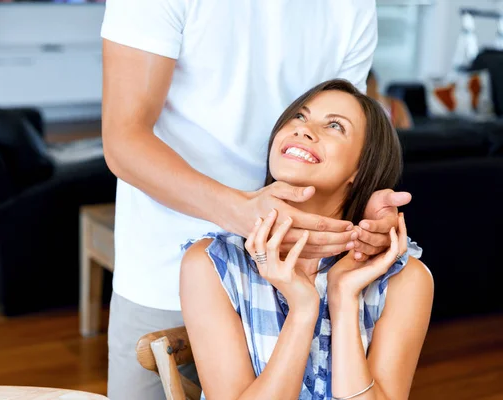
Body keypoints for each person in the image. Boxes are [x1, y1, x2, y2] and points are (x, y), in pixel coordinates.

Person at [100, 1, 415, 398]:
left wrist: (361, 206)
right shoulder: (204, 263)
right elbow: (123, 139)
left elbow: (350, 130)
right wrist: (244, 215)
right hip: (166, 264)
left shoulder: (352, 8)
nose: (303, 130)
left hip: (306, 262)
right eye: (297, 118)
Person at [180, 79, 434, 400]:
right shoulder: (213, 265)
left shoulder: (404, 279)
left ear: (361, 167)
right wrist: (303, 310)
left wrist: (343, 299)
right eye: (299, 116)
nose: (303, 129)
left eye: (334, 126)